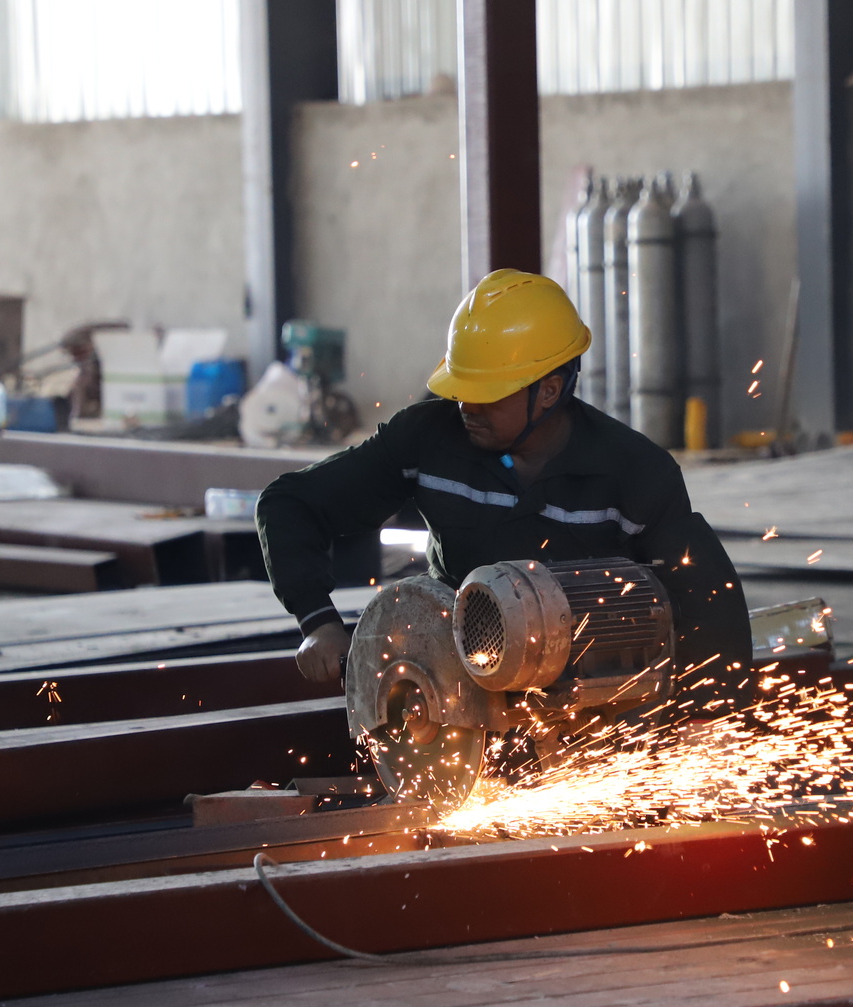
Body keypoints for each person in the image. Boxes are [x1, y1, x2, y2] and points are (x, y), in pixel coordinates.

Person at [257, 268, 750, 719]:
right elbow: (290, 504)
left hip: (593, 704)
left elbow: (707, 601)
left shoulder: (635, 473)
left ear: (550, 390)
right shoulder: (425, 440)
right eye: (461, 388)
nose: (467, 407)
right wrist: (317, 620)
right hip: (454, 698)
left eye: (488, 394)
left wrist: (704, 720)